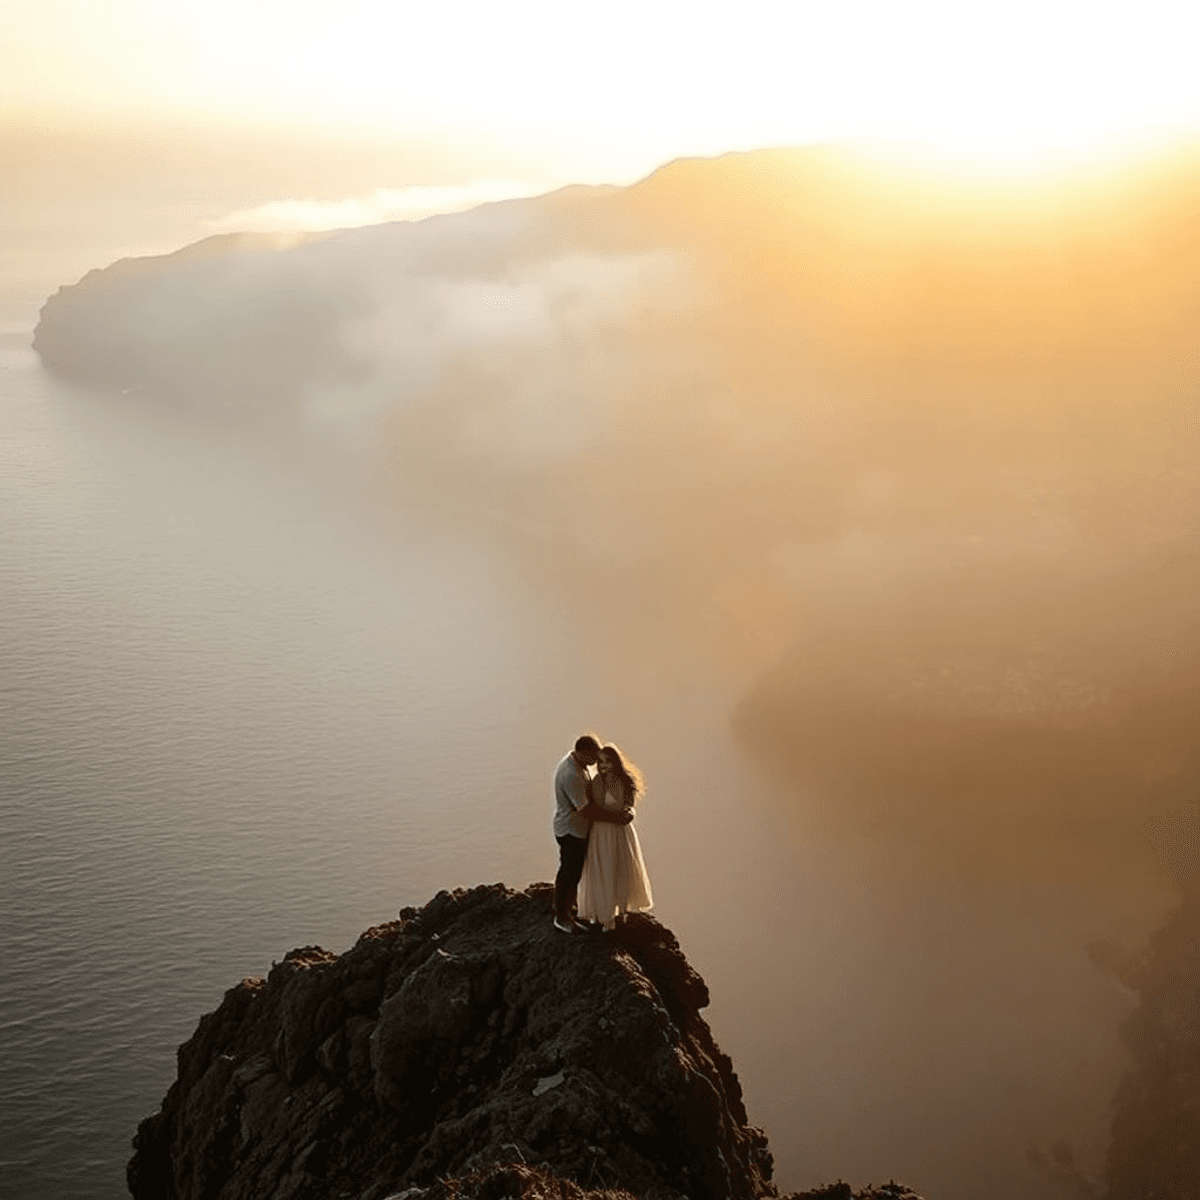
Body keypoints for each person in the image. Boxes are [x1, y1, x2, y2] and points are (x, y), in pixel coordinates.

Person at [553, 733, 631, 933]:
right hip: (571, 830)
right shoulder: (571, 775)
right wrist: (617, 818)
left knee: (574, 872)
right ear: (582, 753)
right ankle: (562, 917)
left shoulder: (579, 765)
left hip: (578, 829)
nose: (596, 761)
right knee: (569, 873)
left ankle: (568, 910)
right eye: (593, 757)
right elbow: (586, 809)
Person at [577, 742, 653, 932]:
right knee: (604, 871)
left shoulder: (626, 781)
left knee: (622, 869)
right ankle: (605, 916)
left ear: (616, 762)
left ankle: (622, 912)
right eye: (601, 762)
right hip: (602, 833)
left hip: (621, 833)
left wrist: (629, 814)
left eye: (608, 761)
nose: (603, 766)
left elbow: (629, 805)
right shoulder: (596, 783)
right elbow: (597, 808)